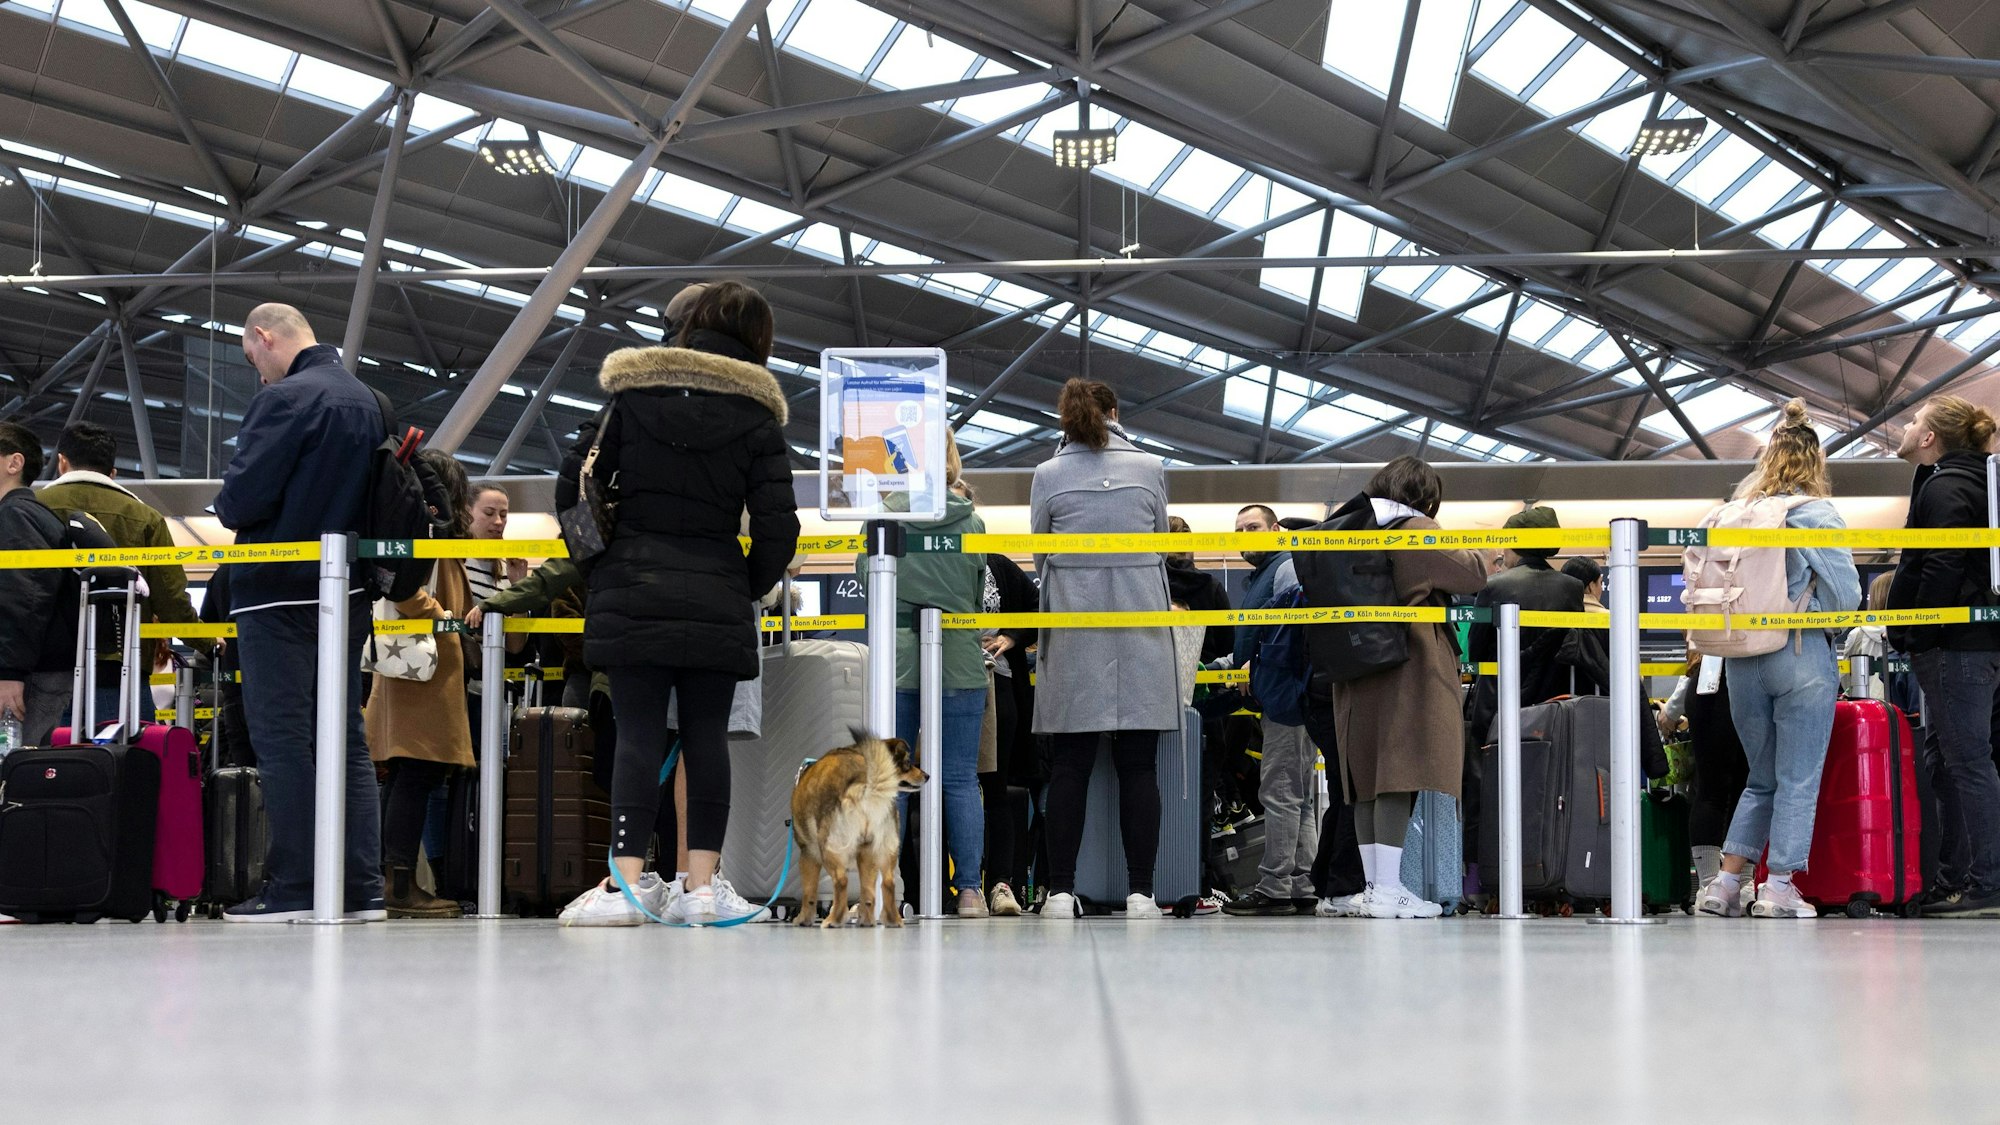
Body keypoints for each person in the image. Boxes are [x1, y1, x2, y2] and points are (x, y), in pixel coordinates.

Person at [561, 281, 800, 927]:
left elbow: (573, 483)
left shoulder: (632, 394)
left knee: (637, 736)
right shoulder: (757, 414)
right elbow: (781, 529)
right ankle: (700, 889)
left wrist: (603, 566)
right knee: (706, 739)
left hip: (632, 582)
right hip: (718, 587)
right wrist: (739, 582)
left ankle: (627, 890)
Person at [212, 304, 385, 923]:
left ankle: (294, 889)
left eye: (251, 355)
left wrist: (226, 495)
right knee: (347, 741)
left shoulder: (285, 399)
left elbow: (240, 501)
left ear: (263, 336)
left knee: (283, 740)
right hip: (350, 593)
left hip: (276, 592)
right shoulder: (370, 400)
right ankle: (362, 889)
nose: (256, 370)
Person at [1693, 399, 1861, 920]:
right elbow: (1847, 595)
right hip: (1799, 651)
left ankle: (1723, 884)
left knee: (1759, 777)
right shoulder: (1814, 513)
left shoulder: (1726, 514)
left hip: (1740, 658)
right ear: (1816, 464)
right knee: (1797, 777)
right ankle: (1780, 887)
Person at [1033, 378, 1179, 921]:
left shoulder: (1048, 475)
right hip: (1141, 630)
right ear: (1117, 412)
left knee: (1070, 768)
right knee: (1139, 768)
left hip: (1075, 630)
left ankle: (1059, 893)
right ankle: (1142, 893)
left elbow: (1040, 553)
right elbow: (1161, 542)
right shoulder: (1150, 468)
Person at [1330, 456, 1487, 919]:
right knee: (1399, 772)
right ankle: (1388, 888)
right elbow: (1472, 573)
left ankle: (1377, 887)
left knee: (1365, 782)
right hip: (1407, 664)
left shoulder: (1351, 526)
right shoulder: (1412, 527)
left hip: (1355, 664)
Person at [860, 434, 987, 917]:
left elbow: (872, 584)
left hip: (898, 664)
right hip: (957, 660)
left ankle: (896, 892)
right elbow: (977, 597)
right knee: (958, 778)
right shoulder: (972, 522)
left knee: (894, 781)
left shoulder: (880, 519)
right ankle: (970, 891)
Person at [1885, 394, 2000, 916]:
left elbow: (1941, 564)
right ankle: (1957, 878)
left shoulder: (1948, 485)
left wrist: (1918, 629)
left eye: (1914, 421)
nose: (1906, 427)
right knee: (1951, 761)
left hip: (1954, 647)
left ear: (1930, 437)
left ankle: (1986, 882)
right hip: (1973, 644)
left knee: (1967, 764)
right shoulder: (1977, 481)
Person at [364, 451, 475, 920]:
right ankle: (400, 886)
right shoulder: (430, 532)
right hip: (426, 674)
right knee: (417, 772)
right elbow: (404, 589)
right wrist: (442, 616)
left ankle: (392, 880)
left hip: (406, 668)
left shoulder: (414, 526)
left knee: (405, 774)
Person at [40, 422, 201, 722]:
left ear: (62, 461)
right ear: (112, 472)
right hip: (120, 666)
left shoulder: (32, 508)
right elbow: (171, 601)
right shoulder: (146, 517)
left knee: (44, 764)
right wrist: (208, 641)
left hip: (44, 667)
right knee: (122, 763)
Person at [1219, 504, 1318, 917]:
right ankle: (1301, 881)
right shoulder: (1265, 575)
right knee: (1298, 795)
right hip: (1288, 693)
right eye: (1240, 530)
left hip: (1285, 695)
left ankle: (1275, 884)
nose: (1247, 535)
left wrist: (1252, 664)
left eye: (1254, 527)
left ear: (1275, 529)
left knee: (1279, 791)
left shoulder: (1285, 567)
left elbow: (1288, 633)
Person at [955, 478, 1038, 918]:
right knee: (949, 785)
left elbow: (1037, 607)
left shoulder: (1000, 565)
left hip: (998, 684)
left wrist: (1011, 636)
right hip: (944, 682)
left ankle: (1000, 885)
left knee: (997, 787)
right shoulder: (933, 560)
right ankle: (947, 883)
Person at [0, 422, 93, 744]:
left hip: (29, 674)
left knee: (15, 771)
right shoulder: (31, 514)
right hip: (36, 668)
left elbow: (24, 597)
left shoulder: (15, 516)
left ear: (14, 463)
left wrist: (9, 673)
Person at [1659, 644, 1751, 908]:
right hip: (1722, 684)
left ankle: (1726, 884)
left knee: (1738, 791)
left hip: (1718, 685)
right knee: (1731, 790)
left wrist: (1671, 711)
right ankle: (1715, 884)